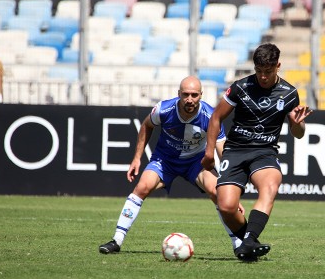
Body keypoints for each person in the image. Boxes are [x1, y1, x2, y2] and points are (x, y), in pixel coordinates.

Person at [99, 76, 244, 254]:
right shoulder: (164, 109)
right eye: (185, 95)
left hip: (195, 162)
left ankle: (238, 244)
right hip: (164, 160)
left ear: (201, 95)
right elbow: (146, 125)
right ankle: (117, 241)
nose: (190, 99)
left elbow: (223, 150)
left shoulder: (210, 116)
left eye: (194, 95)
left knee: (218, 193)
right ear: (178, 94)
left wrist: (230, 189)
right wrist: (137, 157)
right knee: (142, 187)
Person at [201, 43, 312, 262]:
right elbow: (215, 117)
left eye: (268, 72)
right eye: (259, 71)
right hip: (235, 150)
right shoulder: (240, 87)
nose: (263, 76)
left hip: (264, 152)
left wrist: (298, 124)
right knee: (226, 206)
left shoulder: (289, 94)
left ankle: (249, 239)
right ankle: (248, 243)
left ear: (278, 66)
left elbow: (298, 133)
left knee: (271, 185)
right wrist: (209, 151)